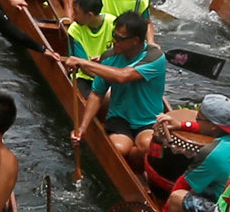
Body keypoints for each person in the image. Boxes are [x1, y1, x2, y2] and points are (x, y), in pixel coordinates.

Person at [67, 11, 168, 161]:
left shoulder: (154, 57)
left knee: (147, 146)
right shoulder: (109, 57)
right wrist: (82, 128)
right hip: (119, 118)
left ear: (136, 40)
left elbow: (123, 76)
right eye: (114, 36)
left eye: (120, 38)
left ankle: (138, 162)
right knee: (119, 149)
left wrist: (83, 62)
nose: (114, 41)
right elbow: (97, 94)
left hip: (148, 119)